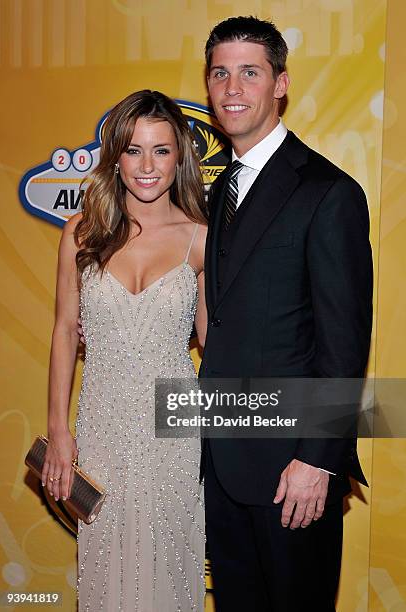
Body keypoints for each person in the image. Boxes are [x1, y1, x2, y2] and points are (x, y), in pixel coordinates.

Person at [199, 16, 373, 612]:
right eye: (220, 74)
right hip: (222, 461)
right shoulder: (219, 191)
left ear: (281, 84)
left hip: (291, 470)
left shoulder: (328, 192)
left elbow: (345, 343)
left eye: (250, 72)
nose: (232, 88)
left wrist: (317, 460)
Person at [42, 90, 207, 611]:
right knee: (108, 577)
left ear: (179, 156)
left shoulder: (200, 239)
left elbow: (217, 342)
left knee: (167, 570)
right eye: (134, 150)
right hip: (101, 428)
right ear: (115, 155)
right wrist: (58, 431)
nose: (147, 165)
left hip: (174, 434)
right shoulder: (82, 232)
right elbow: (66, 330)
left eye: (161, 150)